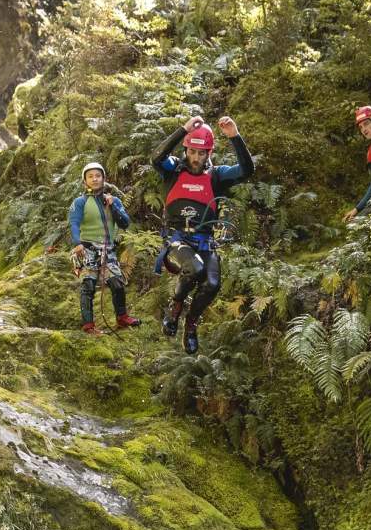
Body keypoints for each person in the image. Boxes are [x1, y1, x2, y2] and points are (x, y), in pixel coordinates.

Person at [151, 115, 254, 354]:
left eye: (201, 153)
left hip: (205, 241)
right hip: (177, 239)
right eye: (192, 152)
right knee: (194, 268)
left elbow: (247, 170)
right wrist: (182, 130)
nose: (195, 158)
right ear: (186, 149)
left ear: (209, 153)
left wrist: (235, 137)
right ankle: (175, 308)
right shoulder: (173, 169)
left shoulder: (217, 175)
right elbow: (156, 157)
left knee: (212, 284)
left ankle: (191, 325)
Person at [68, 162, 141, 335]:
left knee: (117, 283)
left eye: (98, 176)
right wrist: (77, 242)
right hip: (87, 249)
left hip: (108, 250)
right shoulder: (80, 202)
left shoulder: (113, 200)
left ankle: (122, 317)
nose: (95, 179)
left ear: (103, 179)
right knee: (88, 286)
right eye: (91, 176)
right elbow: (74, 223)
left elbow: (125, 222)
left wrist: (113, 205)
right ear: (85, 181)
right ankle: (88, 325)